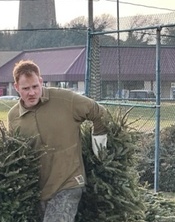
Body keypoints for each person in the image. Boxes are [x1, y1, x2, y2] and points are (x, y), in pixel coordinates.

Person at [7, 59, 108, 222]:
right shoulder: (13, 117)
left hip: (69, 182)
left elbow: (98, 112)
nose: (31, 92)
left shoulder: (65, 100)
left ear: (41, 81)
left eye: (35, 86)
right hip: (38, 190)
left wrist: (99, 138)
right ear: (16, 87)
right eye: (26, 89)